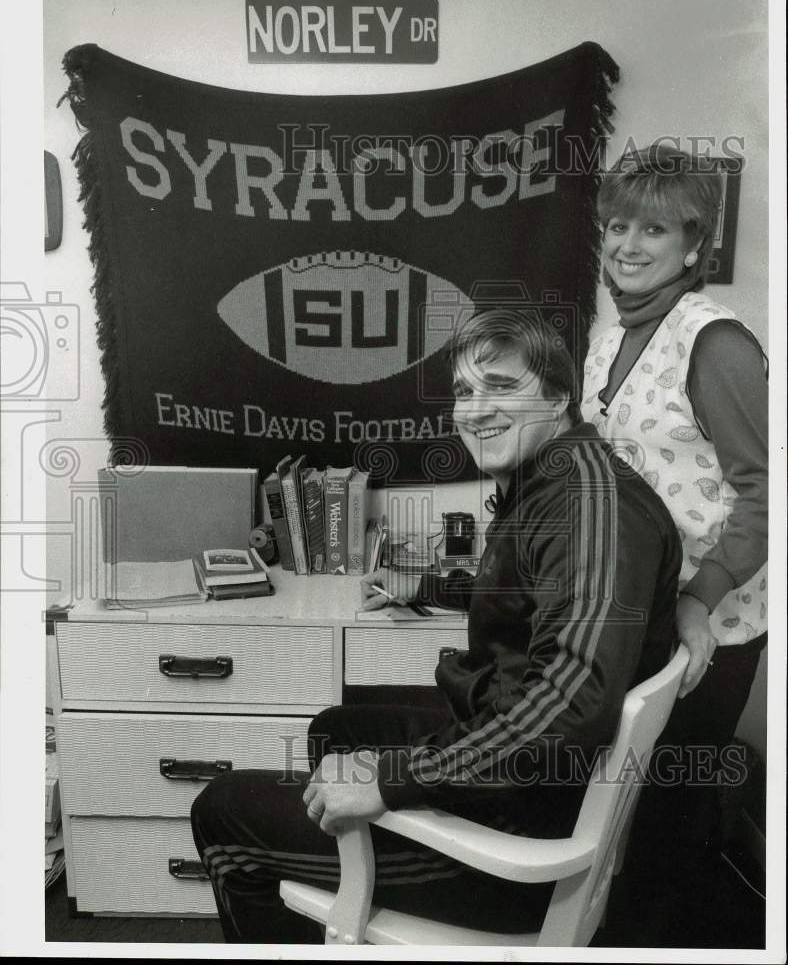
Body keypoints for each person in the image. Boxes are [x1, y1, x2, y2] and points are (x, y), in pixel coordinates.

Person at [190, 308, 682, 943]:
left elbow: (569, 707)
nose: (475, 411)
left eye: (503, 387)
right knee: (336, 731)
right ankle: (346, 905)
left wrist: (394, 779)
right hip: (523, 770)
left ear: (559, 395)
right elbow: (533, 592)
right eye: (466, 392)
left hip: (518, 841)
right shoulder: (559, 479)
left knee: (222, 814)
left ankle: (349, 894)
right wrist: (425, 585)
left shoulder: (587, 509)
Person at [582, 142, 768, 940]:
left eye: (652, 231)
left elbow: (771, 492)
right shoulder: (611, 330)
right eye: (617, 224)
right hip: (642, 615)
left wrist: (699, 598)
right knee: (617, 824)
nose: (627, 245)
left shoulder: (716, 343)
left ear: (694, 246)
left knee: (663, 834)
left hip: (709, 631)